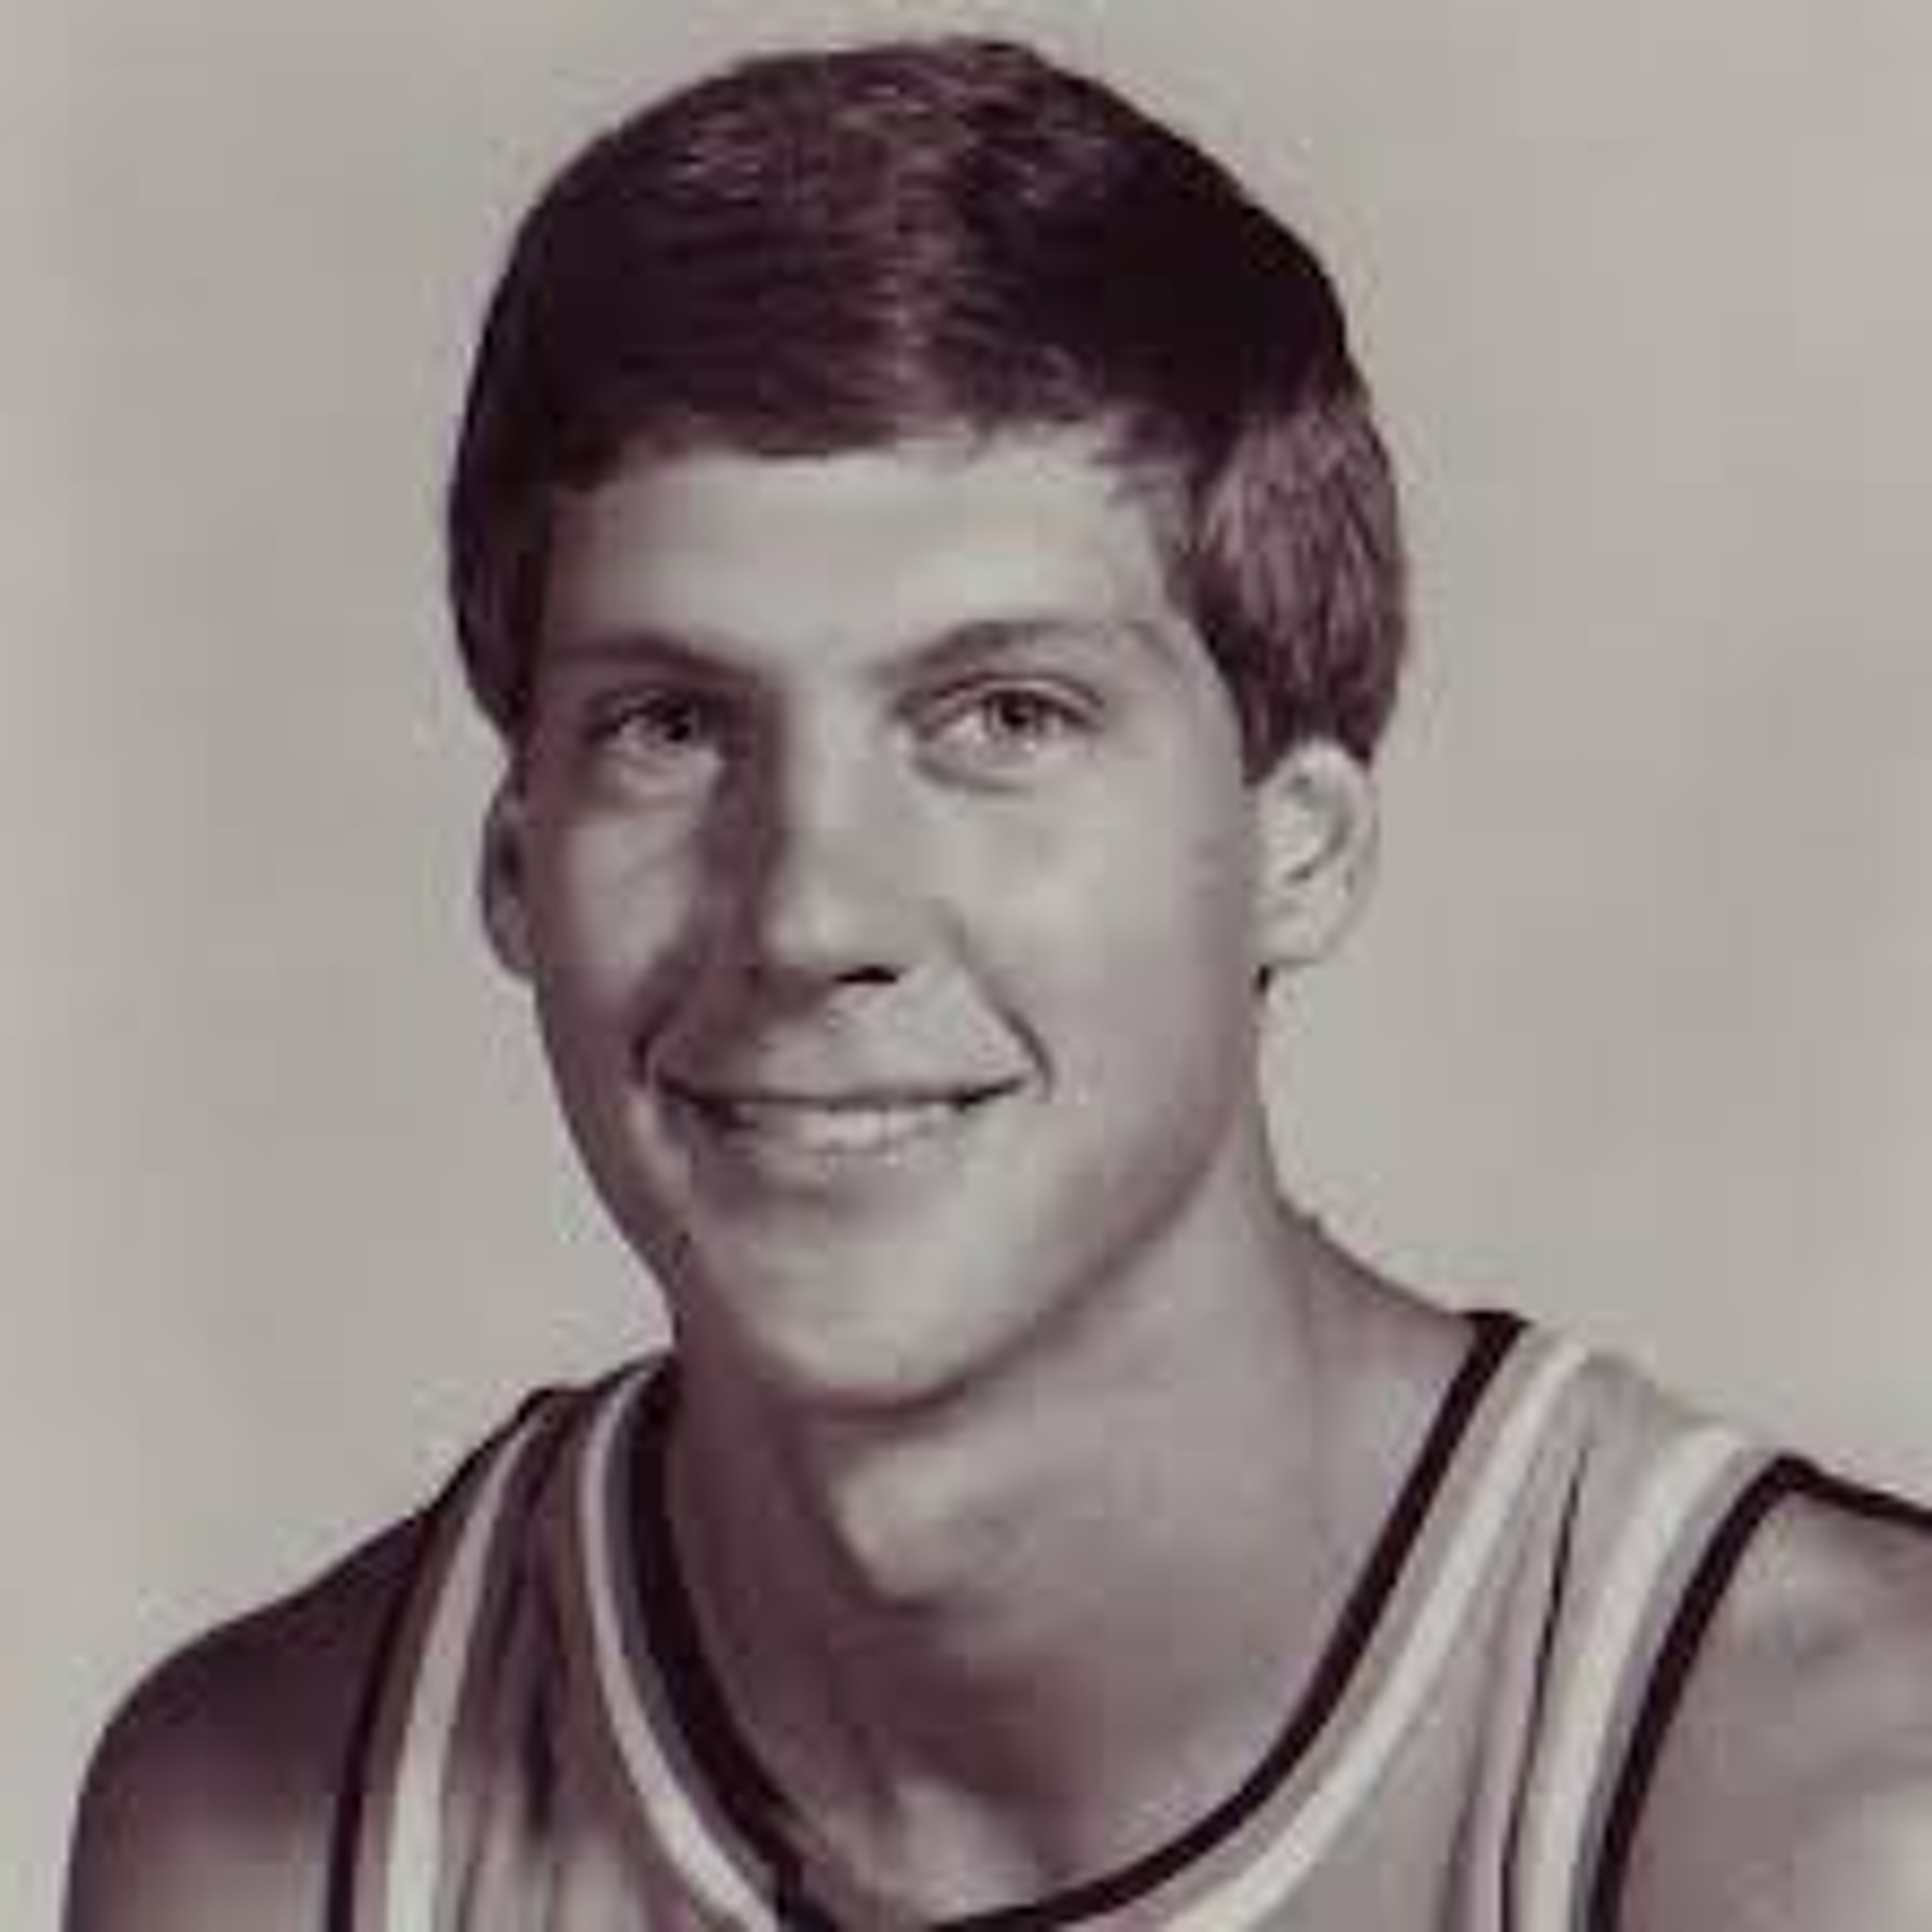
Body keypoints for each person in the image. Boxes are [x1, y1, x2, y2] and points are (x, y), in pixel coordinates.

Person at [66, 35, 1932, 1931]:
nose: (810, 914)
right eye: (671, 727)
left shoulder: (1830, 1819)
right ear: (514, 868)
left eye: (1004, 717)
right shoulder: (271, 1845)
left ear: (1298, 847)